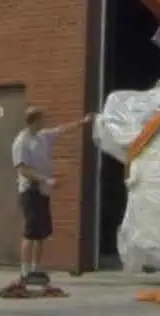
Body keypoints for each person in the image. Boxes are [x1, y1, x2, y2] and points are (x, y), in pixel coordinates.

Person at [7, 105, 95, 292]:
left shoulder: (43, 136)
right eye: (41, 119)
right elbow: (23, 169)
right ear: (33, 120)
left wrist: (83, 122)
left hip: (43, 192)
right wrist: (46, 179)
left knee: (41, 232)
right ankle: (24, 270)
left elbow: (63, 130)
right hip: (30, 191)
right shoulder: (21, 142)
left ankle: (35, 267)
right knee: (30, 231)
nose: (44, 121)